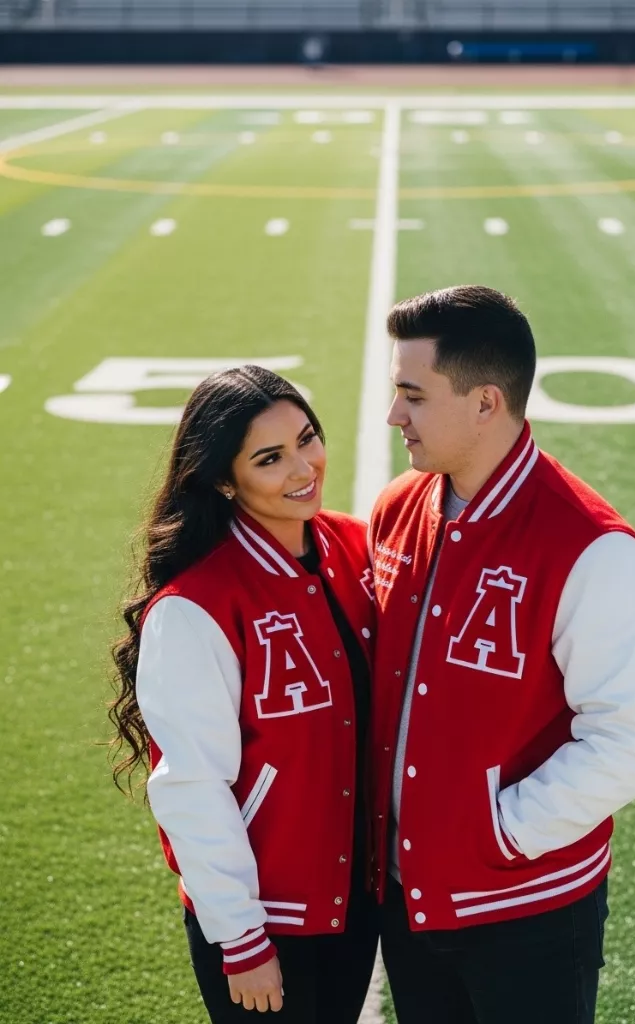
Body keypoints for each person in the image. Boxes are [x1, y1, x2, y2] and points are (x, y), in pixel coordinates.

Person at [367, 285, 635, 1024]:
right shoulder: (397, 506)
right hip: (408, 901)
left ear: (485, 403)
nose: (393, 415)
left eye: (413, 394)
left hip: (526, 914)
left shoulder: (591, 548)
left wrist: (495, 830)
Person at [109, 366, 378, 1022]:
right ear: (225, 480)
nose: (303, 467)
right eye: (270, 458)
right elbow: (192, 786)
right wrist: (241, 937)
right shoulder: (196, 606)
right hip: (266, 921)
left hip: (352, 901)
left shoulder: (351, 544)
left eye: (307, 439)